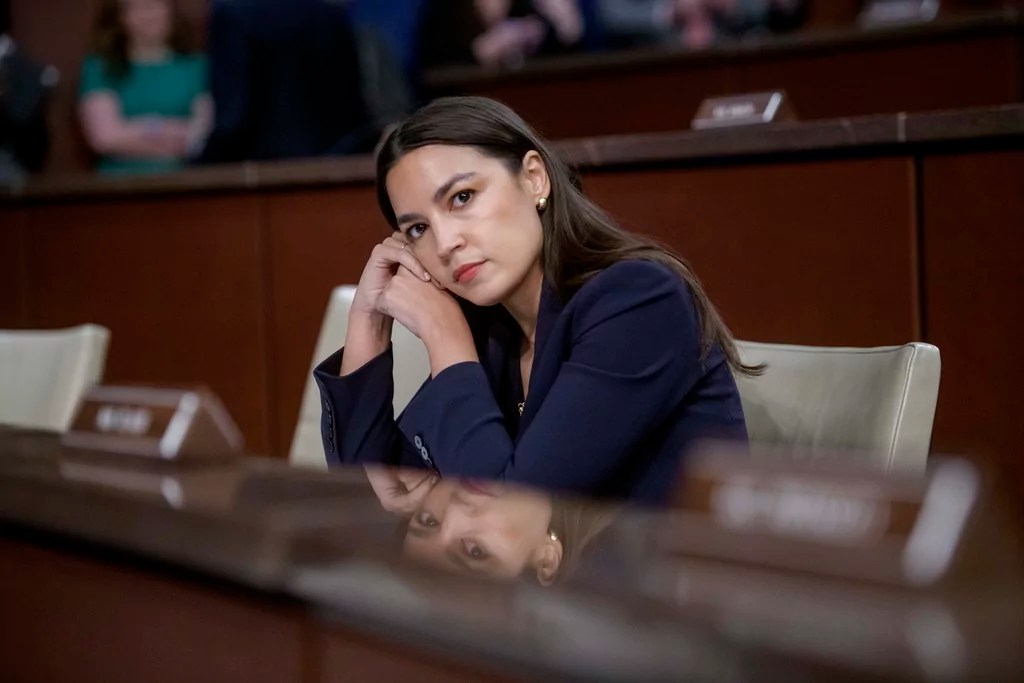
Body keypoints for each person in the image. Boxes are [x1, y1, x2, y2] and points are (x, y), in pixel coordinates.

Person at [314, 96, 758, 506]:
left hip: (667, 587)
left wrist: (444, 338)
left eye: (462, 197)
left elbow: (510, 518)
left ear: (534, 178)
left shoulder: (638, 301)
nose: (446, 242)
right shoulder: (495, 335)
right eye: (417, 229)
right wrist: (367, 320)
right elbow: (371, 497)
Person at [199, 0, 377, 163]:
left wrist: (198, 165)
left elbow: (232, 119)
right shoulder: (331, 14)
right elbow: (353, 109)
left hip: (263, 179)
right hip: (332, 170)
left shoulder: (232, 14)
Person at [78, 0, 211, 175]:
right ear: (120, 17)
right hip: (118, 185)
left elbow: (202, 135)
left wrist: (135, 130)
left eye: (154, 5)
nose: (148, 15)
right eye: (136, 7)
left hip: (185, 181)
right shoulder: (100, 68)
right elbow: (106, 137)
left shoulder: (197, 67)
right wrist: (163, 128)